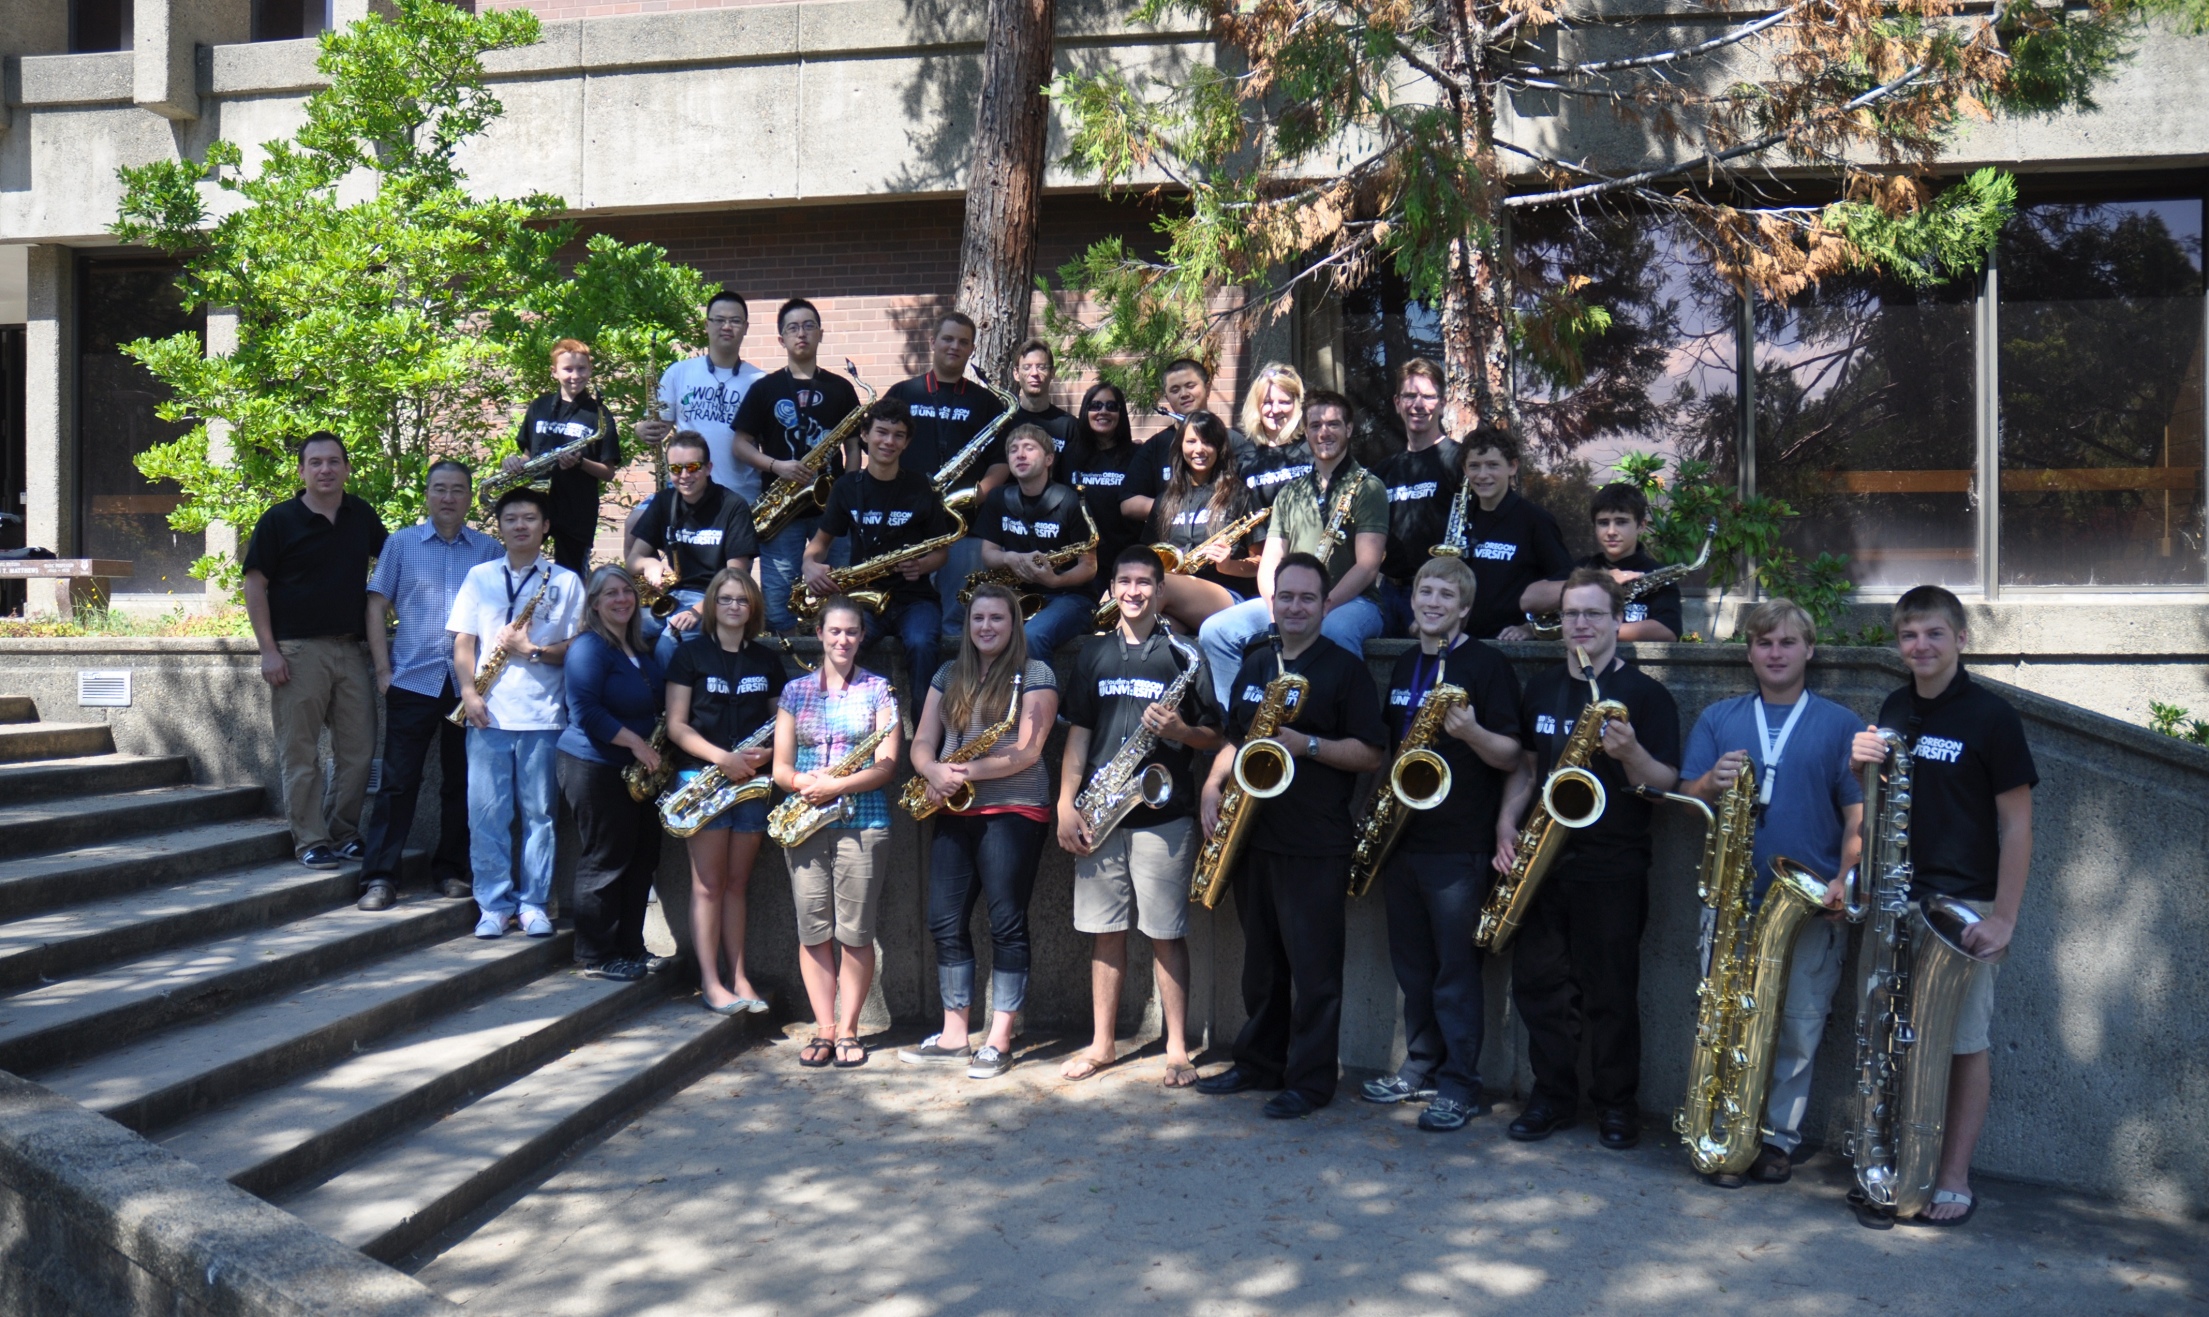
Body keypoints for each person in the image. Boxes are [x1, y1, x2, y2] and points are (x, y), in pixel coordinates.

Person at [1847, 585, 2035, 1227]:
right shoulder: (1894, 706)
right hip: (1895, 897)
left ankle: (1952, 1177)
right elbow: (1878, 804)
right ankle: (1887, 1171)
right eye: (1908, 635)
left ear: (1961, 638)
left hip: (1962, 907)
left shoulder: (1992, 717)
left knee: (1962, 1044)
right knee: (1886, 1038)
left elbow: (2018, 825)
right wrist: (1860, 768)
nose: (1920, 645)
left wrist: (2003, 917)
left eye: (1933, 633)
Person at [1679, 597, 1864, 1186]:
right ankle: (1722, 1136)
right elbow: (1688, 796)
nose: (1776, 653)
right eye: (1764, 643)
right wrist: (1710, 782)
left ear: (1809, 649)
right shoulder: (1719, 718)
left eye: (1788, 642)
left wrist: (1844, 880)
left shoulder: (1841, 724)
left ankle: (1776, 1139)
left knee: (1798, 1027)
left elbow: (1858, 815)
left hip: (1808, 905)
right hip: (1732, 898)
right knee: (1724, 1022)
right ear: (1749, 653)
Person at [1195, 553, 1386, 1118]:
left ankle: (1310, 1082)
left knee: (1314, 972)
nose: (1296, 607)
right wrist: (1212, 783)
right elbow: (1237, 738)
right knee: (1262, 967)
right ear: (1272, 603)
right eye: (1286, 597)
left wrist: (1310, 746)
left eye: (1307, 597)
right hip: (1253, 835)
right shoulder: (1257, 662)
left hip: (1315, 842)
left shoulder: (1345, 670)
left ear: (1325, 605)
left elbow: (1371, 754)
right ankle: (1260, 1064)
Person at [1496, 568, 1681, 1149]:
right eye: (1571, 613)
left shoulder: (1647, 696)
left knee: (1610, 994)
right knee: (1540, 988)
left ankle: (1616, 1106)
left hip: (1613, 865)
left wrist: (1632, 755)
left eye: (1593, 613)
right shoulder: (1542, 688)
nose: (1580, 624)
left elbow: (1664, 787)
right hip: (1543, 863)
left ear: (1617, 620)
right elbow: (1527, 768)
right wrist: (1506, 822)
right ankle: (1551, 1098)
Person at [1359, 555, 1522, 1131]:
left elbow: (1513, 755)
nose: (1433, 602)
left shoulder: (1486, 665)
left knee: (1456, 971)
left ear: (1465, 608)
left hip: (1458, 842)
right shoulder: (1407, 663)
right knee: (1413, 966)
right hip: (1402, 837)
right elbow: (1391, 749)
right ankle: (1421, 1065)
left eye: (1446, 596)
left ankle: (1460, 1085)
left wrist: (1472, 732)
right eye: (1425, 592)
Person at [1056, 546, 1225, 1088]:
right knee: (1104, 933)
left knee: (1165, 933)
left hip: (1163, 812)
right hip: (1100, 811)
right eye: (1124, 581)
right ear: (1111, 589)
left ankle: (1177, 1049)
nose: (1133, 591)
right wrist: (1065, 803)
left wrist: (1180, 731)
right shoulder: (1093, 653)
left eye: (1145, 582)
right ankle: (1102, 1044)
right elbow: (1079, 733)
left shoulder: (1185, 654)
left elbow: (1214, 735)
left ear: (1161, 590)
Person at [898, 583, 1060, 1080]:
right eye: (978, 618)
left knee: (1006, 922)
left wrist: (961, 772)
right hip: (953, 807)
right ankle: (953, 1036)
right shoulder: (949, 673)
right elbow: (923, 740)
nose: (986, 626)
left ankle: (999, 1040)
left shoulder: (1036, 673)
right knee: (944, 922)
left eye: (997, 618)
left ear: (1014, 624)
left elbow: (1029, 751)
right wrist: (931, 770)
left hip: (1014, 807)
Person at [358, 459, 501, 910]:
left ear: (469, 497)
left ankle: (450, 870)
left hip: (469, 687)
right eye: (440, 488)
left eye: (458, 489)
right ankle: (380, 877)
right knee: (398, 782)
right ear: (427, 494)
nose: (448, 497)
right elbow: (375, 606)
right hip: (412, 680)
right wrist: (383, 672)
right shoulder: (401, 544)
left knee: (461, 783)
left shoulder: (489, 549)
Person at [242, 432, 389, 870]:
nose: (325, 470)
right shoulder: (279, 520)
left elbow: (394, 565)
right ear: (302, 470)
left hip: (350, 649)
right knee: (300, 752)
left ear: (347, 468)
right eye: (316, 462)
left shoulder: (361, 515)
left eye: (333, 461)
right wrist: (269, 651)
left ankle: (343, 833)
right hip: (297, 652)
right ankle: (309, 839)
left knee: (359, 750)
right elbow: (255, 585)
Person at [448, 488, 585, 941]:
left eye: (529, 518)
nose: (520, 525)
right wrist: (469, 693)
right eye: (511, 519)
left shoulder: (566, 581)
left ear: (545, 527)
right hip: (487, 713)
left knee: (540, 816)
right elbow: (464, 641)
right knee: (486, 815)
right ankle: (492, 905)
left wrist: (533, 650)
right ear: (500, 527)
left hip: (543, 715)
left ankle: (534, 904)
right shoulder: (480, 577)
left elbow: (578, 646)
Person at [773, 596, 902, 1069]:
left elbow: (887, 765)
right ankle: (823, 1029)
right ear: (819, 635)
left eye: (851, 631)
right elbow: (780, 767)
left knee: (856, 933)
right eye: (834, 631)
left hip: (863, 822)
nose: (843, 639)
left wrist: (838, 785)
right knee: (812, 932)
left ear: (862, 636)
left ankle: (849, 1030)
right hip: (806, 821)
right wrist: (803, 783)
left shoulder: (880, 690)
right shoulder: (795, 691)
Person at [1196, 391, 1388, 706]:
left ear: (1349, 429)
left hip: (1354, 602)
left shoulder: (1369, 487)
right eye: (1315, 425)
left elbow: (1367, 567)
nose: (1324, 432)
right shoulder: (1290, 493)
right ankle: (1237, 724)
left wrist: (1324, 604)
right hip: (1292, 600)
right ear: (1306, 431)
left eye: (1333, 424)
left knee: (1333, 632)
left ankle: (1340, 725)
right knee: (1215, 631)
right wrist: (1276, 606)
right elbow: (1271, 559)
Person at [664, 569, 789, 1016]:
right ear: (712, 604)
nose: (734, 606)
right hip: (702, 780)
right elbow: (677, 725)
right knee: (708, 885)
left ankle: (739, 977)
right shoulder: (689, 655)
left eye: (742, 599)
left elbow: (782, 725)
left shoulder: (767, 659)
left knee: (737, 884)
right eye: (726, 599)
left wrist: (767, 754)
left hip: (751, 782)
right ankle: (710, 981)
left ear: (753, 607)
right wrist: (723, 759)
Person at [557, 566, 668, 981]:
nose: (622, 599)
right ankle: (596, 955)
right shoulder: (588, 647)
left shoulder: (637, 646)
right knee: (606, 859)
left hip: (636, 771)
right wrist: (637, 744)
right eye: (610, 594)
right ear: (594, 604)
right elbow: (585, 711)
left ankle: (630, 947)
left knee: (642, 858)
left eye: (627, 591)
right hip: (594, 765)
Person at [730, 298, 862, 637]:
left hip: (831, 509)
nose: (801, 333)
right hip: (782, 509)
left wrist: (847, 492)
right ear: (781, 339)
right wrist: (777, 466)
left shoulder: (841, 388)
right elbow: (740, 444)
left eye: (808, 326)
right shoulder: (764, 389)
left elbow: (853, 448)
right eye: (792, 328)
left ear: (820, 334)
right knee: (778, 604)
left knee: (837, 592)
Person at [804, 398, 954, 689]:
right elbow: (820, 543)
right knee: (843, 645)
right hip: (863, 598)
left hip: (915, 600)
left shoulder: (921, 487)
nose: (889, 441)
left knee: (922, 643)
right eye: (881, 432)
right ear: (864, 434)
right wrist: (809, 564)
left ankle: (925, 719)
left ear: (906, 442)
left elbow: (942, 553)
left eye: (898, 435)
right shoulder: (846, 487)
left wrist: (922, 565)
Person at [882, 312, 1010, 647]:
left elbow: (1001, 463)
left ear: (972, 349)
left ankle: (956, 678)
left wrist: (977, 494)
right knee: (907, 615)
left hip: (964, 526)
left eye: (963, 342)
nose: (955, 346)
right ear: (932, 342)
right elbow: (881, 450)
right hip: (908, 525)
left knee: (958, 618)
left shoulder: (986, 402)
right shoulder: (903, 393)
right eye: (948, 339)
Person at [626, 431, 759, 665]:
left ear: (708, 468)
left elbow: (736, 578)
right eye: (676, 469)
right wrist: (649, 564)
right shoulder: (664, 501)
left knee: (668, 642)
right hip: (671, 598)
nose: (684, 475)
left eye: (693, 467)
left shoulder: (733, 506)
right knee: (616, 631)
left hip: (716, 601)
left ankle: (670, 691)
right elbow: (632, 560)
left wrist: (697, 611)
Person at [973, 425, 1097, 664]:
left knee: (1032, 636)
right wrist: (1010, 558)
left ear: (1049, 459)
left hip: (1070, 596)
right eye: (1013, 450)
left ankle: (1040, 690)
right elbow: (988, 554)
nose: (1020, 455)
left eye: (1029, 448)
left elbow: (1089, 566)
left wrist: (1056, 580)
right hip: (1018, 594)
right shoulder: (998, 498)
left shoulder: (1071, 502)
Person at [637, 288, 767, 503]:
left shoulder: (761, 382)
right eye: (719, 320)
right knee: (637, 521)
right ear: (706, 325)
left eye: (735, 321)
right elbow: (659, 427)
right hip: (687, 493)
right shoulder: (678, 372)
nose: (727, 327)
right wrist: (641, 429)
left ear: (746, 328)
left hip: (742, 497)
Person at [507, 339, 622, 577]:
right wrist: (514, 463)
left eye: (581, 369)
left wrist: (580, 462)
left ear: (590, 370)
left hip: (577, 509)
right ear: (554, 372)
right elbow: (528, 455)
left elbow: (608, 472)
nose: (575, 375)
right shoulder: (539, 406)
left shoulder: (599, 414)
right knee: (520, 567)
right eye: (568, 369)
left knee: (572, 577)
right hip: (537, 502)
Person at [1452, 427, 1574, 641]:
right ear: (1464, 469)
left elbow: (1566, 586)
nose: (1482, 475)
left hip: (1510, 645)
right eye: (1474, 466)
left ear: (1512, 467)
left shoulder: (1536, 520)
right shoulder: (1459, 518)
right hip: (1460, 640)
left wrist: (1529, 628)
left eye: (1493, 465)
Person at [1144, 410, 1260, 633]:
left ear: (1219, 447)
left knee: (1159, 585)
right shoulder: (1165, 500)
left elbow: (1261, 563)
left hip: (1228, 596)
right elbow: (1148, 554)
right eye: (1191, 441)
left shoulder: (1240, 495)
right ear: (1180, 446)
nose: (1199, 449)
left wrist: (1229, 565)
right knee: (1154, 630)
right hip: (1175, 598)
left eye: (1207, 441)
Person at [1371, 359, 1459, 638]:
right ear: (1397, 403)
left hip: (1436, 594)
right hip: (1387, 593)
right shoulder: (1383, 471)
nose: (1418, 404)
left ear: (1443, 403)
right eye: (1410, 395)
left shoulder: (1460, 461)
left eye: (1428, 396)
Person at [1060, 381, 1150, 581]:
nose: (1103, 411)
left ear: (1120, 413)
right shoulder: (1069, 455)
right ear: (1085, 411)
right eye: (1095, 406)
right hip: (1080, 563)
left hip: (1126, 562)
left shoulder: (1138, 455)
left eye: (1111, 406)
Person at [1573, 482, 1683, 642]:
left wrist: (1592, 631)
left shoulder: (1658, 574)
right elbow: (1538, 599)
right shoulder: (1581, 568)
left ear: (1641, 526)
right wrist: (1599, 582)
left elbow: (1668, 630)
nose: (1611, 531)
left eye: (1621, 522)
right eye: (1603, 523)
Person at [1236, 362, 1311, 510]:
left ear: (1297, 405)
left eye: (1284, 402)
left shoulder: (1313, 450)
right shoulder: (1242, 458)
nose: (1275, 410)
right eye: (1267, 402)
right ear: (1256, 405)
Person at [1011, 338, 1077, 451]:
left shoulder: (1069, 426)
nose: (1034, 373)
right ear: (1016, 374)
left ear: (1052, 372)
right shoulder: (1004, 424)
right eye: (1027, 367)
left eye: (1041, 367)